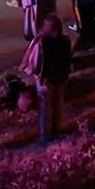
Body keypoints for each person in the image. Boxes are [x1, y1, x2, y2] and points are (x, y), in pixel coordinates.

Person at [25, 14, 73, 144]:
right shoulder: (65, 41)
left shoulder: (42, 43)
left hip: (45, 81)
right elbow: (68, 60)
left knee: (44, 109)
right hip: (60, 78)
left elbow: (36, 63)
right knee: (58, 107)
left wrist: (35, 75)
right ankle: (57, 131)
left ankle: (44, 137)